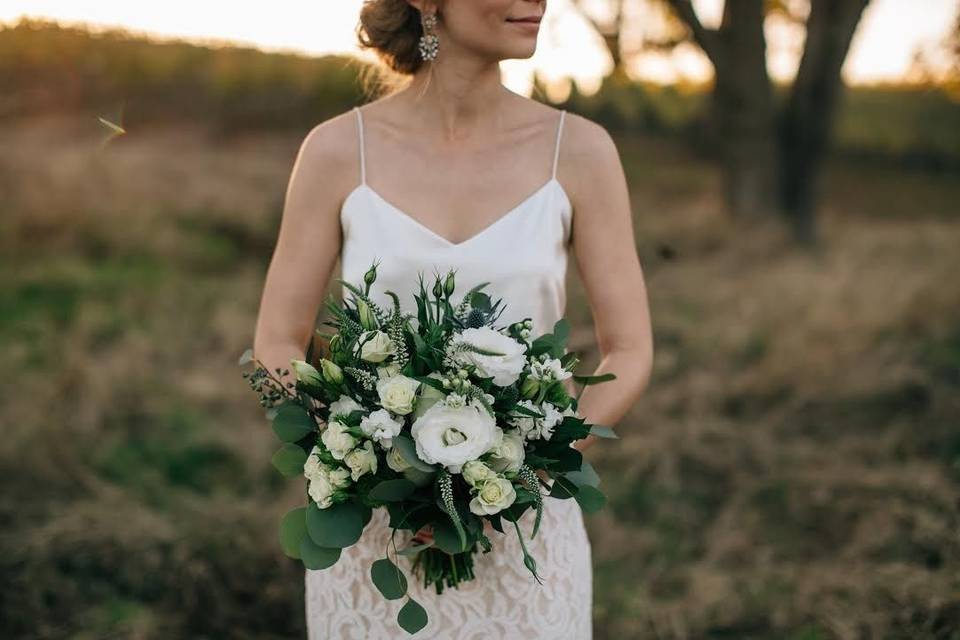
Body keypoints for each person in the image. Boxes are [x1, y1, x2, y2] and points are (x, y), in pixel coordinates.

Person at [252, 1, 653, 637]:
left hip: (524, 533)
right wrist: (369, 456)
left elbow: (629, 350)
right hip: (377, 536)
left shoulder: (579, 151)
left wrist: (526, 468)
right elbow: (277, 340)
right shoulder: (336, 150)